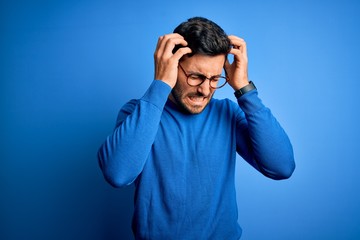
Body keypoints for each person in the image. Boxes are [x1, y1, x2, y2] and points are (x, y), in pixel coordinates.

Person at [98, 16, 295, 240]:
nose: (205, 90)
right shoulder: (139, 113)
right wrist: (160, 84)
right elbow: (117, 174)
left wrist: (244, 89)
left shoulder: (227, 113)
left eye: (214, 79)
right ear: (172, 65)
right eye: (195, 76)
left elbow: (282, 167)